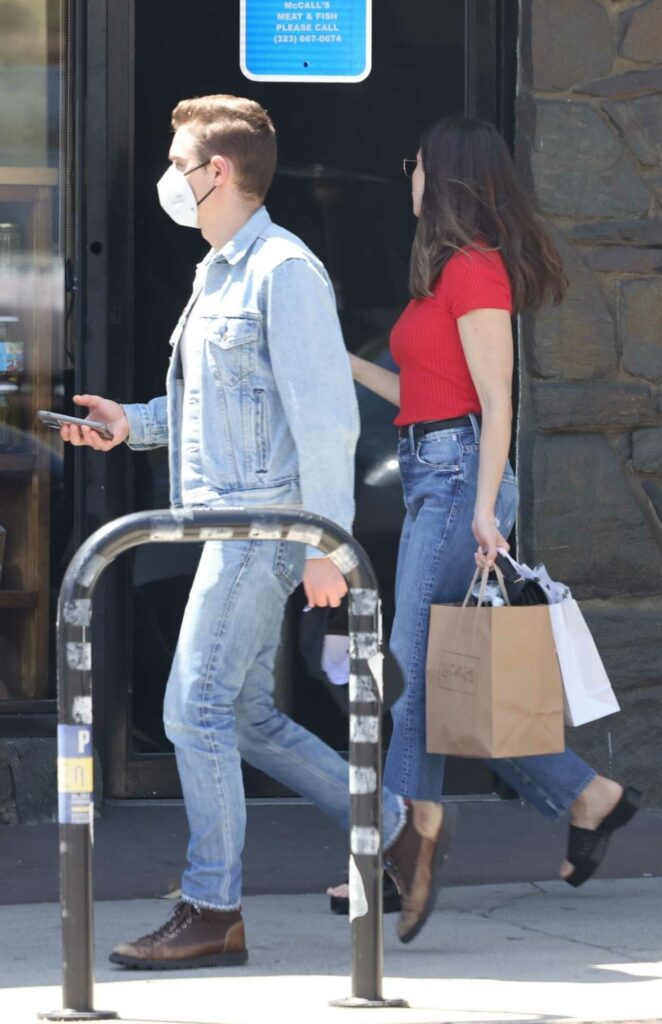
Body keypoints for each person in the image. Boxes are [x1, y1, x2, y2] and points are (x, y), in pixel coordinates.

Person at [60, 94, 453, 969]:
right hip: (237, 520)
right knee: (240, 713)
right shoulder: (221, 271)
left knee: (189, 706)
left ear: (219, 172)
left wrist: (326, 545)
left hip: (266, 526)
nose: (168, 177)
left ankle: (213, 907)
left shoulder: (283, 270)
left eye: (176, 161)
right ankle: (399, 828)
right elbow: (220, 408)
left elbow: (323, 421)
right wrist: (129, 422)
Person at [327, 115, 641, 911]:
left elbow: (499, 402)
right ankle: (586, 795)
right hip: (436, 466)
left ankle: (397, 852)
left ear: (448, 177)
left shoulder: (476, 271)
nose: (411, 176)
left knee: (410, 666)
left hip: (462, 474)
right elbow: (424, 399)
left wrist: (483, 510)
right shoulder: (442, 276)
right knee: (439, 671)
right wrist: (345, 363)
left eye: (418, 163)